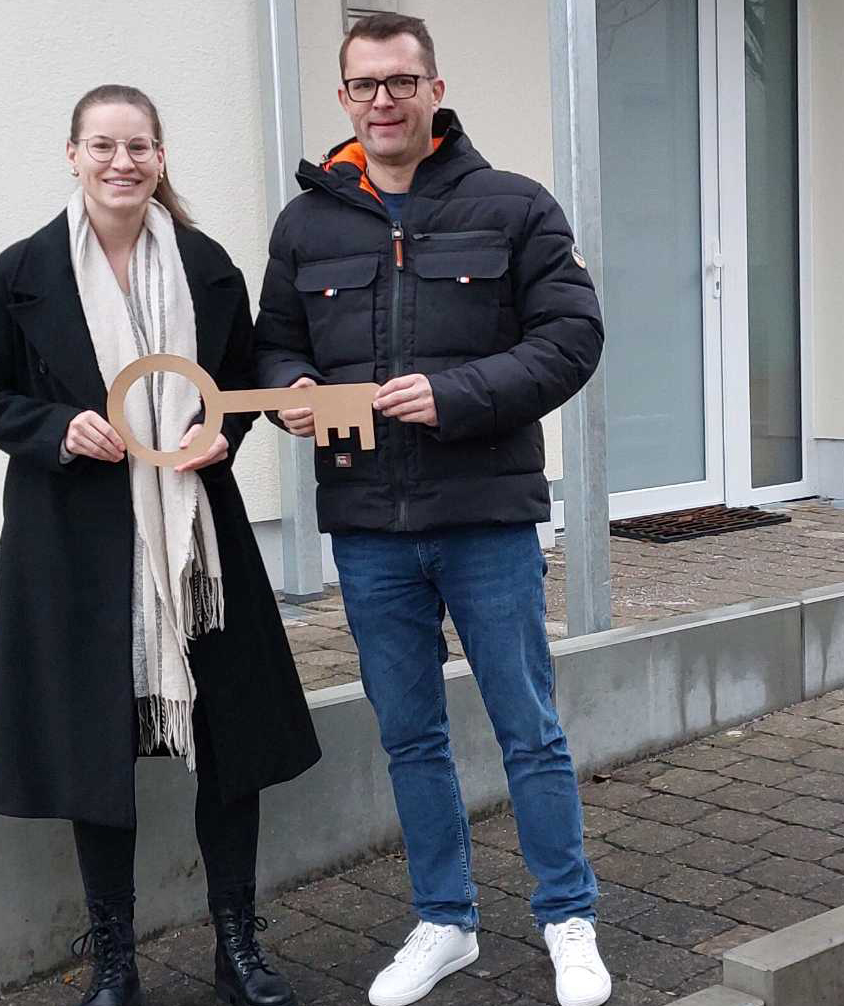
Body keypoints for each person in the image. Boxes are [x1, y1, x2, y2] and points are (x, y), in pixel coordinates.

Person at [254, 15, 609, 1006]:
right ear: (343, 98)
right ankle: (445, 922)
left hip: (485, 516)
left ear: (434, 87)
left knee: (527, 727)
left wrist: (458, 394)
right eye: (364, 85)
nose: (383, 100)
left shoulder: (513, 206)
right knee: (411, 736)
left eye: (401, 81)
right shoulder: (306, 224)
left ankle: (566, 916)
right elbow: (275, 345)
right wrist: (289, 389)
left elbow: (573, 337)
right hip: (368, 529)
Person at [0, 84, 320, 1006]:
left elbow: (241, 386)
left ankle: (238, 945)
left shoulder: (206, 265)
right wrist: (56, 430)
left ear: (161, 157)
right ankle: (115, 961)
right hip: (73, 545)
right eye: (104, 146)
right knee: (94, 752)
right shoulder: (18, 274)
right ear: (71, 154)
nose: (123, 163)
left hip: (200, 544)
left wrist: (227, 433)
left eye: (140, 147)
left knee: (230, 742)